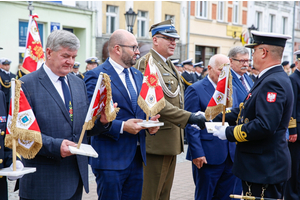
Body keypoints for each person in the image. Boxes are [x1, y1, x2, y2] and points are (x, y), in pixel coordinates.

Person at [213, 31, 293, 199]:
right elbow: (246, 109)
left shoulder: (273, 82)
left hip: (263, 167)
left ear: (263, 52)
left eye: (254, 50)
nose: (251, 56)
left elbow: (264, 125)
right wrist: (212, 114)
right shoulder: (270, 78)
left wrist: (228, 133)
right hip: (261, 166)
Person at [135, 19, 206, 200]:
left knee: (163, 194)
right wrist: (189, 117)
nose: (173, 42)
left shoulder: (167, 64)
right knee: (151, 194)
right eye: (168, 38)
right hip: (157, 139)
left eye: (174, 39)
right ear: (155, 40)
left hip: (170, 139)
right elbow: (156, 102)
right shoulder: (148, 63)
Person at [85, 29, 160, 200]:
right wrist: (122, 127)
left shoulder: (137, 75)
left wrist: (150, 125)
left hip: (136, 157)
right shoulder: (96, 75)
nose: (138, 52)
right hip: (110, 159)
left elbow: (138, 110)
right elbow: (91, 119)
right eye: (134, 47)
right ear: (117, 49)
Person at [18, 30, 90, 199]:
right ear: (49, 53)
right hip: (43, 183)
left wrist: (103, 121)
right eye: (66, 56)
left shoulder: (79, 83)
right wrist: (55, 146)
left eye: (73, 57)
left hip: (74, 179)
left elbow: (82, 128)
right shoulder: (26, 85)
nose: (70, 62)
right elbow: (22, 135)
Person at [185, 54, 239, 200]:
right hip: (208, 155)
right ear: (209, 69)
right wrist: (197, 153)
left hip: (230, 155)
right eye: (221, 71)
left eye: (228, 71)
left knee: (227, 196)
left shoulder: (230, 89)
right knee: (205, 196)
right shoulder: (196, 89)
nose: (224, 75)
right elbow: (191, 124)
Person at [285, 50, 300, 200]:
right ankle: (292, 196)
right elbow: (291, 107)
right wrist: (292, 130)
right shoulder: (293, 79)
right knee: (295, 167)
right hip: (297, 131)